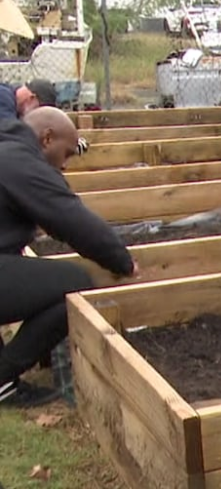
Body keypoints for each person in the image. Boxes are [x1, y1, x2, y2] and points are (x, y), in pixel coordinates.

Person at [0, 107, 138, 407]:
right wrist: (123, 261)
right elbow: (70, 219)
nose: (64, 165)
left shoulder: (7, 150)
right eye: (66, 154)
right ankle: (3, 374)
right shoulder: (21, 163)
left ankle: (5, 387)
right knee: (75, 285)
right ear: (47, 138)